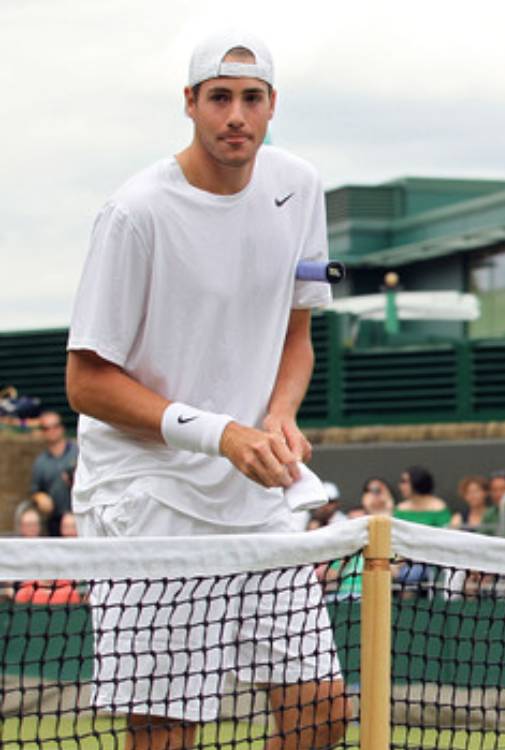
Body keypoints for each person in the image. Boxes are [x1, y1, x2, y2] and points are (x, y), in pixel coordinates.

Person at [62, 30, 347, 747]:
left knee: (322, 708)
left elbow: (296, 337)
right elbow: (86, 382)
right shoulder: (134, 214)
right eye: (219, 98)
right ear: (190, 104)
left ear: (272, 106)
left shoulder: (299, 186)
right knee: (167, 726)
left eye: (251, 99)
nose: (236, 117)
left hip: (257, 496)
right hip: (148, 496)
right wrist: (217, 433)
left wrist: (279, 414)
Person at [28, 410, 79, 537]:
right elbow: (34, 491)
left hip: (78, 516)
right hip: (54, 520)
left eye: (55, 426)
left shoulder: (79, 452)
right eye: (46, 428)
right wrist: (39, 497)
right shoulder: (40, 462)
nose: (51, 431)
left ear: (62, 428)